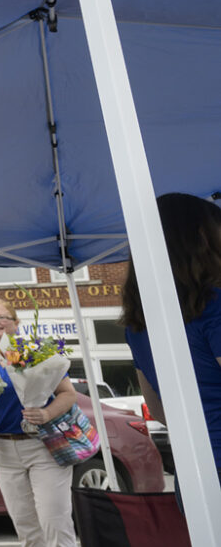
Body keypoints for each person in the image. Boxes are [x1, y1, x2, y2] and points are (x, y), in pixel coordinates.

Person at [120, 192, 221, 490]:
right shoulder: (213, 305)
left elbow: (157, 406)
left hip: (194, 475)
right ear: (202, 238)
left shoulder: (139, 322)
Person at [0, 299, 77, 547]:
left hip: (44, 447)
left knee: (55, 524)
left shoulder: (36, 354)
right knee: (27, 529)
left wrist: (47, 413)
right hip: (5, 451)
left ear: (16, 323)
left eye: (2, 317)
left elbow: (68, 394)